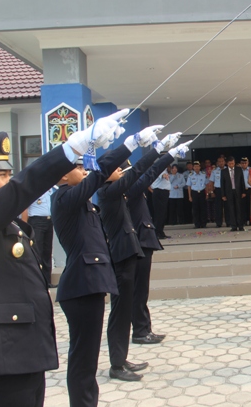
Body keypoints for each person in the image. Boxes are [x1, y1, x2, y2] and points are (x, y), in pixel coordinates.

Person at [0, 109, 124, 407]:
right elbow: (19, 190)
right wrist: (69, 149)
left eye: (9, 175)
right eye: (2, 176)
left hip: (17, 357)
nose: (9, 181)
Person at [54, 122, 158, 404]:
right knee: (83, 358)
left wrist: (157, 152)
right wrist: (132, 144)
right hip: (80, 286)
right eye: (78, 168)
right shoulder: (64, 199)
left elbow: (111, 175)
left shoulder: (80, 200)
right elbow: (101, 174)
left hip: (92, 281)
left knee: (87, 358)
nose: (84, 172)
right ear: (63, 174)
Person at [97, 130, 178, 383]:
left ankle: (121, 359)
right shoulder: (110, 191)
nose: (125, 173)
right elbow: (143, 174)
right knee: (120, 310)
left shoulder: (118, 190)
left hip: (129, 250)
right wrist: (160, 152)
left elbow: (143, 174)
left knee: (126, 307)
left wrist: (167, 154)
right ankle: (118, 360)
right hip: (122, 254)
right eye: (120, 170)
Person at [127, 144, 186, 347]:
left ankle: (144, 329)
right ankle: (140, 331)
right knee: (138, 291)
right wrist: (167, 155)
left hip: (144, 241)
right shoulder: (129, 188)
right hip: (138, 243)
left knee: (142, 291)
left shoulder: (132, 187)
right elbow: (148, 174)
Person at [27, 188, 56, 287]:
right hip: (36, 221)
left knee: (47, 251)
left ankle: (47, 281)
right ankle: (37, 281)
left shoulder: (50, 190)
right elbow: (25, 208)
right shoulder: (34, 189)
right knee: (37, 251)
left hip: (48, 221)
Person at [220, 156, 246, 232]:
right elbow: (222, 184)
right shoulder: (224, 171)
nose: (232, 165)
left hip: (238, 191)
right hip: (229, 192)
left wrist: (243, 191)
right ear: (227, 163)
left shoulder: (239, 170)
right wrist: (223, 195)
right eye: (230, 163)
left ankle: (240, 225)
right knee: (231, 209)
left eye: (233, 163)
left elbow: (242, 181)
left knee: (239, 209)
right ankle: (233, 226)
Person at [151, 163, 171, 239]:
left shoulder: (164, 169)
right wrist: (164, 176)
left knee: (163, 214)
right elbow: (162, 175)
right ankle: (157, 232)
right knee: (159, 213)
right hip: (159, 192)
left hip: (163, 192)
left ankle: (161, 231)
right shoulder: (160, 169)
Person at [187, 161, 208, 228]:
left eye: (197, 166)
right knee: (195, 209)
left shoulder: (203, 174)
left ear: (200, 167)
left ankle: (203, 223)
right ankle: (197, 224)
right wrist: (190, 196)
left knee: (203, 208)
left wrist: (207, 193)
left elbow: (206, 184)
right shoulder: (190, 175)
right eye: (195, 166)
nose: (196, 168)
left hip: (202, 192)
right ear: (193, 167)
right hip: (194, 192)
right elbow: (189, 186)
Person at [208, 156, 226, 227]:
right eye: (219, 161)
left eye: (222, 161)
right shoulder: (214, 171)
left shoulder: (228, 170)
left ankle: (229, 222)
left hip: (226, 190)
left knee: (227, 206)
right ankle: (218, 223)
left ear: (224, 162)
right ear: (217, 163)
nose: (221, 163)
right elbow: (211, 182)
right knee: (218, 207)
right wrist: (212, 192)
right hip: (218, 190)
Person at [240, 157, 251, 225]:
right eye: (242, 163)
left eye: (245, 163)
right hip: (241, 190)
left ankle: (250, 220)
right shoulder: (238, 170)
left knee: (250, 205)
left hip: (250, 189)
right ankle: (243, 220)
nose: (244, 164)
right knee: (242, 206)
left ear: (248, 163)